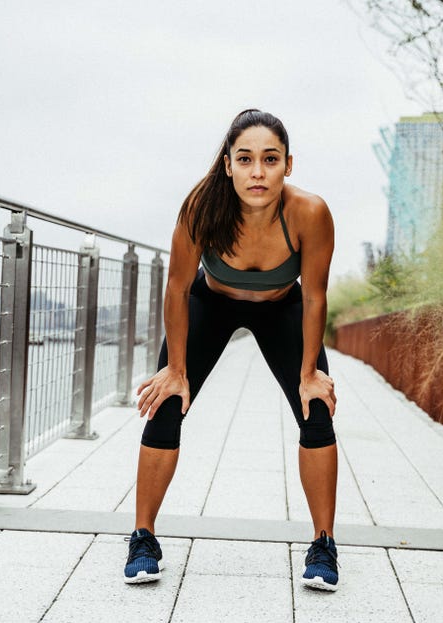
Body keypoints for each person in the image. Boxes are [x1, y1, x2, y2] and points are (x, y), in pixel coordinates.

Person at [123, 109, 340, 591]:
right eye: (245, 159)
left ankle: (323, 545)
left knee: (317, 410)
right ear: (227, 164)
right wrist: (175, 370)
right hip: (211, 303)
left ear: (288, 165)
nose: (257, 172)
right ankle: (142, 538)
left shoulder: (310, 212)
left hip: (281, 309)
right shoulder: (201, 207)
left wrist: (309, 372)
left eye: (270, 159)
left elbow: (315, 295)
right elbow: (177, 287)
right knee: (166, 404)